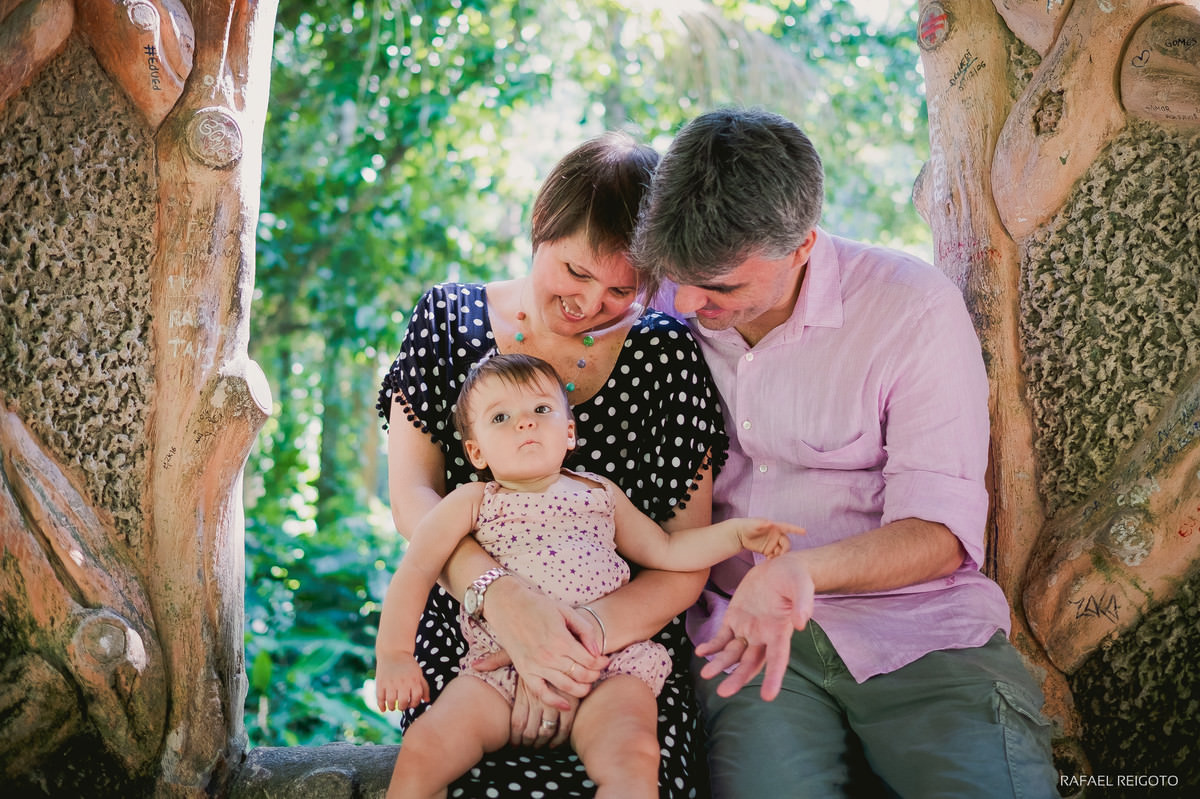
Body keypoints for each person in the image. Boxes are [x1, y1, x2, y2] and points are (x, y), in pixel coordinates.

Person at [631, 108, 1060, 798]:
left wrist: (798, 572)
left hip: (918, 630)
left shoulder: (910, 309)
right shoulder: (663, 306)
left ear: (802, 245)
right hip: (744, 639)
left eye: (722, 288)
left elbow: (943, 535)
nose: (685, 301)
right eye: (675, 276)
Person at [376, 131, 728, 798]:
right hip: (474, 648)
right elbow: (414, 499)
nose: (592, 303)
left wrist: (574, 647)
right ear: (542, 226)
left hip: (620, 655)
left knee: (633, 767)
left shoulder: (667, 355)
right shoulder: (447, 321)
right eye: (575, 272)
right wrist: (503, 599)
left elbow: (682, 555)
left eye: (623, 289)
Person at [375, 354, 795, 798]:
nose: (525, 424)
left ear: (569, 431)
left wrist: (737, 534)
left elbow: (668, 550)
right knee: (424, 748)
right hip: (502, 669)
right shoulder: (471, 501)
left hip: (608, 669)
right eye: (501, 417)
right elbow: (417, 569)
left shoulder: (600, 494)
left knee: (634, 756)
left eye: (540, 410)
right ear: (475, 450)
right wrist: (394, 654)